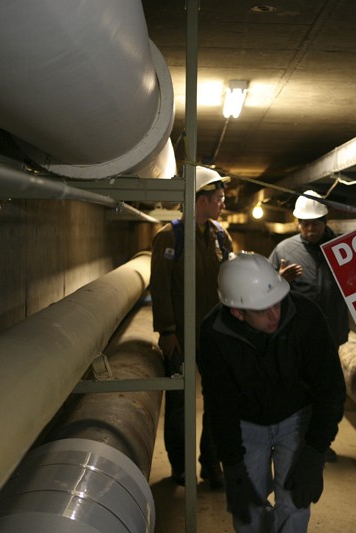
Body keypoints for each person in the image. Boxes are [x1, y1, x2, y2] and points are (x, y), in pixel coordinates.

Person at [198, 252, 346, 532]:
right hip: (246, 422)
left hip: (295, 416)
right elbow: (220, 404)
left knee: (294, 503)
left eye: (277, 302)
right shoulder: (214, 333)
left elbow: (330, 389)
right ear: (237, 312)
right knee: (249, 514)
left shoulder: (306, 317)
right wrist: (233, 467)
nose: (274, 313)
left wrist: (314, 452)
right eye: (262, 309)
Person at [150, 165, 233, 489]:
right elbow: (160, 286)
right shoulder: (169, 237)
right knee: (180, 405)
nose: (222, 203)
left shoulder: (220, 236)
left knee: (218, 402)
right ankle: (181, 468)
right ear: (199, 199)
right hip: (182, 336)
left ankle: (212, 465)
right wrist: (168, 330)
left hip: (216, 335)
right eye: (217, 198)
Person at [268, 191, 348, 462]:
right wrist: (280, 280)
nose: (310, 229)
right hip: (296, 338)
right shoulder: (284, 250)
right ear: (297, 223)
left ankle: (319, 444)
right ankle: (291, 442)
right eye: (305, 223)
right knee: (295, 393)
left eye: (315, 223)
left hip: (331, 335)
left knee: (328, 394)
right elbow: (264, 294)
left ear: (327, 221)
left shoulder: (343, 248)